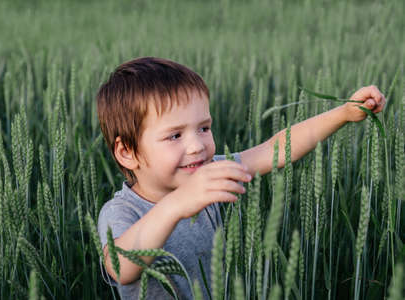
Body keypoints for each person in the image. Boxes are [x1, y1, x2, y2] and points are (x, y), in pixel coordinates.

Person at [96, 57, 385, 299]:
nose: (197, 145)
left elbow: (276, 149)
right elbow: (120, 268)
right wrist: (175, 205)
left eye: (204, 128)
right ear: (127, 151)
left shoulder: (207, 173)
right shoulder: (122, 211)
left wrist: (344, 113)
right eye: (175, 135)